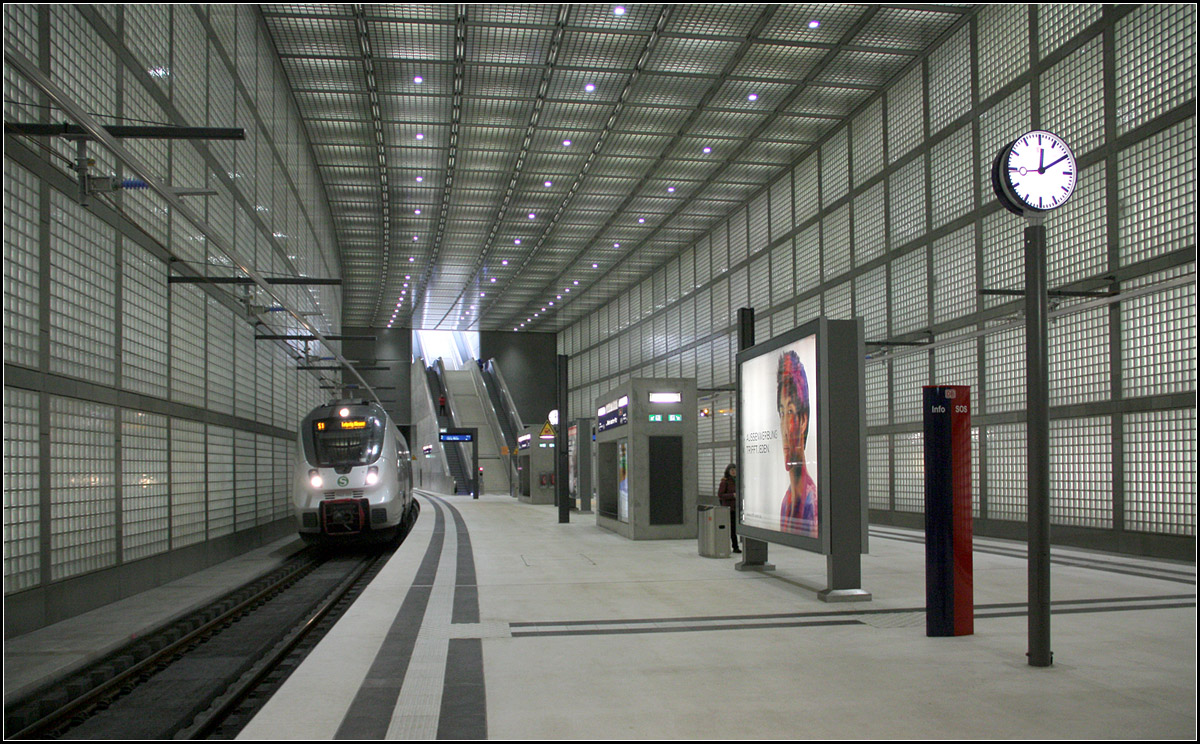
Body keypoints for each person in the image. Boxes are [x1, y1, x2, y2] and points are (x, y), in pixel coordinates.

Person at [777, 350, 817, 537]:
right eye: (782, 412)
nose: (785, 429)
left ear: (803, 421)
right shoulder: (786, 502)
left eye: (791, 412)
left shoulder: (813, 505)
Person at [717, 463, 740, 553]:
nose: (734, 472)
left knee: (736, 528)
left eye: (735, 470)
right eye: (732, 470)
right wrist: (732, 495)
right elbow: (720, 495)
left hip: (738, 507)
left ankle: (736, 546)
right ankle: (735, 546)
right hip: (729, 508)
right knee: (732, 528)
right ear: (728, 471)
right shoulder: (725, 482)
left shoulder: (739, 480)